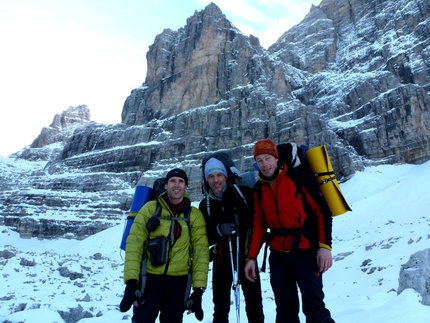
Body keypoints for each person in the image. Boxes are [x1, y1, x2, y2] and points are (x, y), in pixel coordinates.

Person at [244, 139, 335, 323]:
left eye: (267, 158)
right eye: (259, 160)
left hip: (305, 250)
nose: (264, 164)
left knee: (314, 306)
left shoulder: (298, 179)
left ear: (276, 158)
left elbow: (322, 212)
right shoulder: (259, 189)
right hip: (278, 255)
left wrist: (325, 247)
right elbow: (259, 226)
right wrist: (251, 257)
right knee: (285, 309)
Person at [121, 168, 210, 323]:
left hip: (179, 282)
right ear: (166, 186)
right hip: (149, 280)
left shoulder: (194, 215)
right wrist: (131, 282)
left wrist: (198, 290)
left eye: (181, 181)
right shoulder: (149, 209)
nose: (177, 185)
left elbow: (200, 252)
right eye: (172, 181)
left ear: (186, 187)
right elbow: (134, 244)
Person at [199, 157, 264, 323]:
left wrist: (242, 220)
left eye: (219, 175)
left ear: (225, 176)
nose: (216, 180)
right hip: (221, 259)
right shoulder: (205, 205)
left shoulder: (242, 193)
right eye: (211, 177)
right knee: (220, 307)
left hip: (246, 255)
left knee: (254, 304)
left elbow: (259, 219)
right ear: (207, 179)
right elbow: (203, 237)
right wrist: (219, 230)